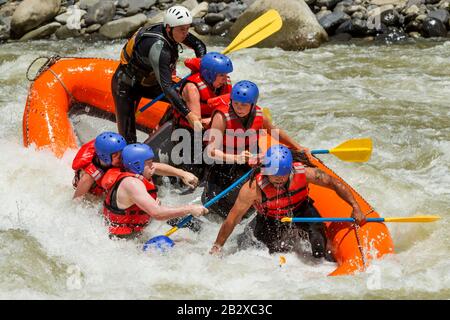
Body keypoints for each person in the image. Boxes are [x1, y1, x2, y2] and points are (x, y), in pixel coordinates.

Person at [209, 145, 367, 260]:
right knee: (263, 253)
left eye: (283, 175)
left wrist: (355, 206)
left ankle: (319, 267)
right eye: (274, 174)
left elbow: (334, 183)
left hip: (301, 210)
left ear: (290, 170)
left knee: (318, 241)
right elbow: (232, 219)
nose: (278, 179)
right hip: (269, 218)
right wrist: (217, 246)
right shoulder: (252, 188)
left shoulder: (304, 173)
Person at [202, 80, 309, 218]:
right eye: (235, 103)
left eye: (244, 105)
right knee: (216, 208)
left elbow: (275, 131)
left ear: (252, 105)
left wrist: (298, 147)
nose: (239, 108)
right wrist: (236, 158)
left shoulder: (259, 114)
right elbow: (210, 151)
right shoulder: (221, 117)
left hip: (250, 162)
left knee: (249, 206)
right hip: (224, 164)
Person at [112, 5, 207, 144]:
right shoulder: (159, 48)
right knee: (128, 140)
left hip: (150, 83)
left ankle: (159, 129)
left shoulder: (176, 31)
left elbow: (199, 45)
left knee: (183, 96)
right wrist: (189, 115)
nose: (186, 33)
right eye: (182, 29)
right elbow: (167, 88)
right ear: (168, 28)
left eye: (188, 28)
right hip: (126, 86)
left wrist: (200, 65)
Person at [101, 143, 208, 239]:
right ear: (137, 165)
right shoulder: (131, 183)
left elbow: (159, 167)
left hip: (141, 224)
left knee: (195, 224)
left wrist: (182, 174)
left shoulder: (136, 169)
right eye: (150, 163)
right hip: (124, 238)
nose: (153, 166)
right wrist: (189, 208)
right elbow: (157, 213)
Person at [170, 52, 233, 179]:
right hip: (189, 131)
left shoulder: (224, 83)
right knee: (195, 172)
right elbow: (197, 124)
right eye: (221, 75)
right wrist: (220, 119)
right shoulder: (192, 88)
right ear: (209, 74)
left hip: (214, 128)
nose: (225, 79)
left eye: (226, 74)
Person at [72, 132, 126, 199]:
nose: (120, 157)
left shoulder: (115, 159)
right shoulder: (90, 176)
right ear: (105, 156)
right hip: (92, 194)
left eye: (121, 153)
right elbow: (77, 199)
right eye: (115, 155)